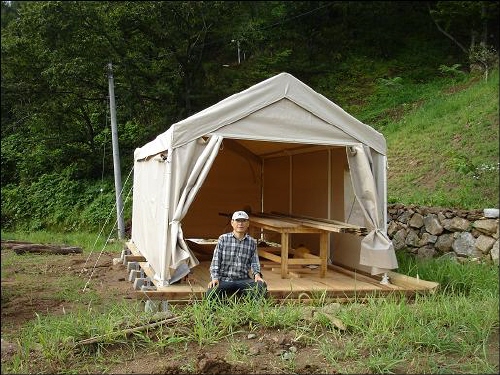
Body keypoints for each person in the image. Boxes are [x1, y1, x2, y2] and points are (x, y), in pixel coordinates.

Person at [206, 210, 267, 301]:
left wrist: (257, 275)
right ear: (232, 223)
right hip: (224, 279)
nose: (240, 224)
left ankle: (255, 312)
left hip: (243, 280)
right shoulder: (223, 239)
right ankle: (215, 313)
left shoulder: (251, 242)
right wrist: (214, 277)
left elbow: (254, 262)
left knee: (261, 286)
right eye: (237, 221)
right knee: (211, 292)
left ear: (248, 224)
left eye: (243, 221)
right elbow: (216, 260)